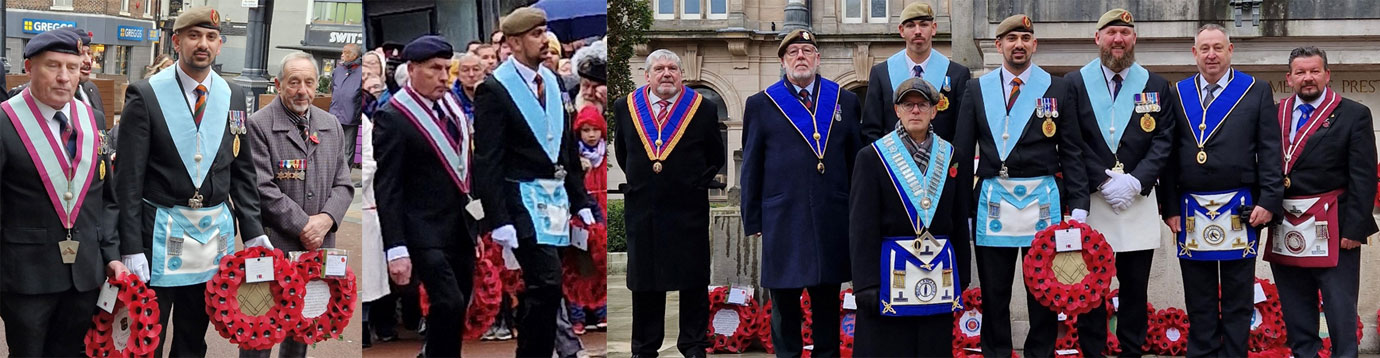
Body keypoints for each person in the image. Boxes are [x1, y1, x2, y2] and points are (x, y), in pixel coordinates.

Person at [115, 7, 269, 357]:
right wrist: (130, 246)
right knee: (148, 337)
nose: (203, 44)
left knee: (192, 336)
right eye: (194, 36)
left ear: (220, 44)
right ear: (176, 41)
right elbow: (128, 180)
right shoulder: (146, 93)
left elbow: (242, 169)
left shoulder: (233, 94)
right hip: (158, 234)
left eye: (211, 37)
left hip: (212, 237)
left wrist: (254, 228)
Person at [951, 14, 1089, 358]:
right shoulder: (976, 88)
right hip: (993, 198)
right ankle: (996, 352)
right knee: (994, 292)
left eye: (1026, 39)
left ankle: (1040, 353)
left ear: (1034, 45)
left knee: (1043, 291)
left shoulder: (1057, 87)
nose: (1019, 45)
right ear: (999, 45)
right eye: (1011, 39)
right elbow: (964, 152)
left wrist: (1079, 204)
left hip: (1043, 201)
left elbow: (1071, 149)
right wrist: (961, 209)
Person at [473, 8, 598, 356]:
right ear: (513, 42)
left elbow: (566, 150)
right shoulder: (494, 90)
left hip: (556, 200)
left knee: (543, 289)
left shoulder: (554, 81)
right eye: (535, 34)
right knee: (547, 282)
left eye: (544, 31)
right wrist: (498, 219)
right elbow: (487, 160)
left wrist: (582, 201)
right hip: (522, 201)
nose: (544, 40)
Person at [0, 27, 130, 358]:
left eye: (71, 68)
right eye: (52, 66)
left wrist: (111, 255)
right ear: (29, 68)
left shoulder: (94, 119)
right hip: (26, 277)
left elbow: (106, 197)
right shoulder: (5, 121)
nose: (63, 78)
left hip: (84, 274)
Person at [1159, 23, 1282, 358]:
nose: (1211, 55)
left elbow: (1270, 149)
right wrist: (1168, 207)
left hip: (1241, 208)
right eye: (1204, 48)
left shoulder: (1255, 90)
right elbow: (1167, 154)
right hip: (1190, 210)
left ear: (1230, 49)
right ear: (1194, 53)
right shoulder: (1178, 92)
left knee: (1237, 297)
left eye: (1217, 47)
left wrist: (1269, 200)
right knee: (1198, 298)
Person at [739, 28, 859, 358]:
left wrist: (855, 213)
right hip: (782, 218)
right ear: (783, 61)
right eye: (793, 52)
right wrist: (753, 218)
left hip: (830, 216)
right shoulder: (761, 104)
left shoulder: (844, 101)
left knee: (826, 303)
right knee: (784, 305)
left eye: (807, 50)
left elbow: (854, 162)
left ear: (818, 58)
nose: (801, 57)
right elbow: (751, 164)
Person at [1066, 9, 1177, 357]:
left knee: (1134, 288)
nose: (1118, 39)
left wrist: (1135, 182)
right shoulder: (1074, 83)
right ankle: (1093, 351)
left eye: (1125, 33)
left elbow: (1164, 140)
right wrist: (1102, 180)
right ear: (1097, 38)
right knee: (1091, 290)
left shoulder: (1155, 85)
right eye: (1111, 32)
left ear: (1134, 39)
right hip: (1093, 202)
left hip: (1137, 200)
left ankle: (1131, 350)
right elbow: (1071, 141)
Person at [240, 51, 355, 357]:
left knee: (302, 332)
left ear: (318, 85)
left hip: (314, 252)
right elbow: (261, 187)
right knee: (260, 333)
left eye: (308, 82)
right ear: (278, 84)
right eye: (293, 82)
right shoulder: (259, 125)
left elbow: (344, 184)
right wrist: (305, 225)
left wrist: (327, 219)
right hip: (273, 247)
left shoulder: (330, 125)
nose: (302, 90)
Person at [1265, 46, 1377, 358]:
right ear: (1289, 78)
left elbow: (1364, 176)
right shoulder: (1274, 114)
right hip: (1285, 227)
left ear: (1327, 74)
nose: (1308, 78)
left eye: (1315, 71)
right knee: (1297, 313)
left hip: (1335, 228)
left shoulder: (1354, 114)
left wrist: (1355, 230)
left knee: (1340, 313)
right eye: (1300, 72)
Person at [612, 47, 723, 358]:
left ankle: (693, 343)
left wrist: (695, 183)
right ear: (647, 75)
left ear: (681, 75)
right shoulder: (626, 107)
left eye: (672, 68)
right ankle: (645, 347)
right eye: (659, 68)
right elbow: (624, 152)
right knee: (646, 281)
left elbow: (715, 155)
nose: (666, 74)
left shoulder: (703, 108)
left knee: (692, 280)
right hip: (643, 208)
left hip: (687, 208)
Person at [373, 34, 476, 358]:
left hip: (460, 226)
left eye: (448, 68)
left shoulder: (452, 106)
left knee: (460, 304)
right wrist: (396, 249)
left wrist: (479, 222)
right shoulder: (393, 116)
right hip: (421, 231)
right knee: (448, 301)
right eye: (435, 69)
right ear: (412, 69)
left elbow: (465, 170)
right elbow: (387, 187)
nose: (444, 77)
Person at [848, 77, 963, 358]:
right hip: (889, 275)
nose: (915, 110)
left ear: (934, 111)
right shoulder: (872, 157)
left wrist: (963, 277)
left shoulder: (949, 155)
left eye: (922, 104)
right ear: (896, 110)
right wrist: (865, 283)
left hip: (936, 273)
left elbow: (957, 218)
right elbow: (861, 225)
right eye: (907, 104)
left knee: (932, 347)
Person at [358, 47, 391, 349]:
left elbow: (368, 163)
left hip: (362, 202)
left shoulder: (364, 125)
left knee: (367, 277)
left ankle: (365, 327)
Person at [331, 43, 364, 168]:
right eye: (342, 52)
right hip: (335, 112)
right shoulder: (338, 70)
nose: (342, 55)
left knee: (348, 147)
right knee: (334, 145)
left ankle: (344, 175)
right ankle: (333, 172)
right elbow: (333, 88)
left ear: (354, 55)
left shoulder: (362, 71)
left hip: (352, 113)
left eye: (346, 53)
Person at [450, 53, 485, 119]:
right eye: (465, 70)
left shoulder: (494, 95)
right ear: (458, 74)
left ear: (483, 73)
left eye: (476, 69)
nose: (471, 74)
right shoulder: (451, 98)